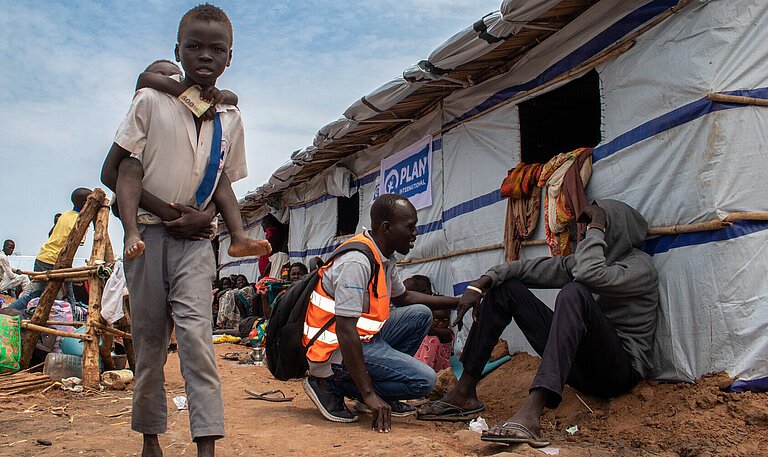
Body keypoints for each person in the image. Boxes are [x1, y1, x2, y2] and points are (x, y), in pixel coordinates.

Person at [98, 5, 245, 456]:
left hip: (196, 244)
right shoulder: (149, 102)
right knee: (149, 343)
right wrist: (169, 215)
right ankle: (150, 440)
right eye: (194, 46)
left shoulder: (230, 119)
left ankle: (206, 446)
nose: (205, 56)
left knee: (198, 341)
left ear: (229, 57)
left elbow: (221, 181)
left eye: (216, 49)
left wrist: (209, 221)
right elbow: (114, 172)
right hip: (147, 235)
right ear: (177, 51)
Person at [417, 200, 659, 449]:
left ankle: (532, 413)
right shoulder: (587, 262)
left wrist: (598, 222)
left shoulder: (639, 267)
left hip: (618, 373)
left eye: (593, 227)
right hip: (580, 368)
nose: (585, 234)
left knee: (574, 292)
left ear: (614, 229)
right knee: (506, 288)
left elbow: (588, 275)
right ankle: (464, 391)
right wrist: (480, 283)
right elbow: (528, 269)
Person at [301, 193, 460, 433]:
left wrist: (457, 301)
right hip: (335, 350)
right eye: (410, 226)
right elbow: (345, 330)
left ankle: (375, 389)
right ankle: (329, 384)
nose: (415, 232)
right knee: (424, 381)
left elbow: (403, 297)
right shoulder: (357, 262)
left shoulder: (383, 257)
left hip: (365, 339)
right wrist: (369, 394)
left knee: (420, 314)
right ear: (386, 228)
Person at [111, 58, 267, 260]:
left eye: (175, 77)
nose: (169, 80)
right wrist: (175, 215)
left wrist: (205, 216)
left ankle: (238, 236)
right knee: (129, 165)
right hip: (149, 221)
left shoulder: (212, 115)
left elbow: (233, 98)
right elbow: (110, 173)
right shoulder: (149, 105)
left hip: (196, 227)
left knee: (220, 178)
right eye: (164, 76)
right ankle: (130, 233)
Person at [8, 188, 91, 311]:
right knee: (67, 298)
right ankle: (71, 327)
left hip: (42, 257)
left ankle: (7, 311)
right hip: (55, 261)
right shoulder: (80, 221)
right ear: (86, 203)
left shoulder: (66, 215)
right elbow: (74, 245)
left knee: (36, 294)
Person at [405, 276, 453, 372]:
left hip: (440, 368)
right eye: (436, 319)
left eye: (445, 319)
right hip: (419, 363)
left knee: (432, 339)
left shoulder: (447, 333)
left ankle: (423, 374)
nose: (441, 323)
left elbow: (431, 331)